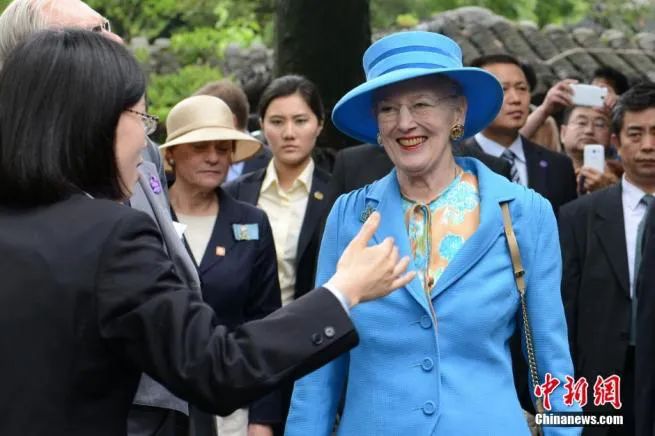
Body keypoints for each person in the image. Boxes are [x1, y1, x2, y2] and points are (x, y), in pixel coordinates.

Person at [0, 29, 415, 436]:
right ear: (94, 121)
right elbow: (217, 366)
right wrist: (342, 292)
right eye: (141, 117)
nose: (145, 141)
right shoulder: (110, 235)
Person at [285, 31, 579, 435]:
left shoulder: (523, 212)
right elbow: (320, 362)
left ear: (458, 112)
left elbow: (553, 363)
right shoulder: (350, 216)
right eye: (388, 109)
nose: (405, 123)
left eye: (421, 104)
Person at [0, 2, 206, 434]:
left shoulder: (141, 147)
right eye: (92, 34)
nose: (115, 41)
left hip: (173, 394)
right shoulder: (21, 173)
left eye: (107, 27)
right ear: (40, 60)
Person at [161, 94, 281, 436]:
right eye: (200, 147)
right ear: (171, 154)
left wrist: (263, 418)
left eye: (223, 148)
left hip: (231, 406)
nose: (213, 157)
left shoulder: (252, 222)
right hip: (158, 407)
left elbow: (266, 323)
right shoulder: (145, 219)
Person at [223, 74, 333, 434]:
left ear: (319, 124)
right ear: (262, 127)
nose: (289, 133)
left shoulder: (337, 194)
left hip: (317, 347)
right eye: (277, 121)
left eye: (300, 121)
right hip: (250, 351)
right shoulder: (237, 193)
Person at [559, 82, 655, 436]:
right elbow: (564, 310)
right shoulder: (578, 217)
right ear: (615, 140)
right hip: (601, 381)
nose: (648, 145)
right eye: (635, 134)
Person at [465, 54, 577, 215]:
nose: (516, 99)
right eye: (503, 89)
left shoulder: (559, 166)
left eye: (522, 88)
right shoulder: (456, 164)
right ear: (474, 99)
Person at [193, 80, 273, 183]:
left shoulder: (273, 165)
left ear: (230, 121)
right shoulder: (191, 162)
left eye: (204, 120)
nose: (198, 130)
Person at [560, 104, 622, 194]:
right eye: (581, 123)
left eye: (599, 125)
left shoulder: (624, 175)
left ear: (611, 136)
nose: (589, 131)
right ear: (563, 133)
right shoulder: (548, 172)